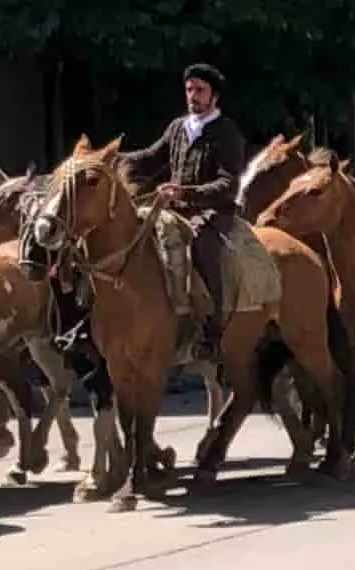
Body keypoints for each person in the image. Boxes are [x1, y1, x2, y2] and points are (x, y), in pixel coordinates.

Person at [118, 63, 246, 359]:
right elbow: (151, 158)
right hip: (174, 209)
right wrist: (109, 159)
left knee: (201, 245)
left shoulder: (227, 132)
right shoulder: (179, 127)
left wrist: (186, 192)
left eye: (200, 90)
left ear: (215, 97)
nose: (193, 96)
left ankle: (212, 329)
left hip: (214, 212)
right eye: (189, 90)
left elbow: (229, 183)